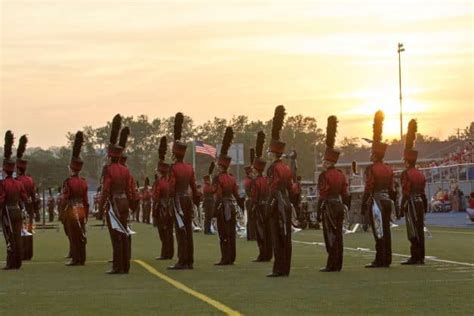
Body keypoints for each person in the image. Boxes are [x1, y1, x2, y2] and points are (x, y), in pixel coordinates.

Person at [361, 110, 397, 268]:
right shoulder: (389, 168)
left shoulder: (371, 168)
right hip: (387, 200)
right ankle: (387, 258)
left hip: (376, 201)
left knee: (378, 231)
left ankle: (380, 259)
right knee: (386, 231)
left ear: (375, 154)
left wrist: (364, 203)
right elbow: (392, 188)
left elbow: (369, 186)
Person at [99, 115, 134, 274]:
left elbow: (106, 190)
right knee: (124, 233)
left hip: (113, 203)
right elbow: (129, 189)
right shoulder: (125, 169)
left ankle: (117, 266)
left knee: (116, 236)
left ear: (110, 155)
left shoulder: (109, 170)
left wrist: (100, 208)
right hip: (124, 202)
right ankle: (125, 265)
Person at [317, 116, 350, 272]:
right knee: (339, 234)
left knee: (330, 234)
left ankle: (331, 264)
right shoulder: (341, 174)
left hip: (329, 205)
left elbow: (323, 194)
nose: (323, 163)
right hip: (339, 204)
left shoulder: (324, 176)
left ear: (328, 162)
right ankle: (338, 263)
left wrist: (318, 211)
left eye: (324, 161)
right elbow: (345, 193)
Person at [168, 112, 200, 270]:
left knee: (180, 231)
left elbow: (171, 187)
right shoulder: (189, 168)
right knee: (188, 230)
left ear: (175, 154)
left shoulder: (173, 168)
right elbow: (194, 187)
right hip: (187, 199)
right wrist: (196, 200)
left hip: (178, 201)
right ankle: (190, 260)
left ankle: (182, 260)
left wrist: (169, 200)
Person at [266, 105, 295, 277]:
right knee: (287, 236)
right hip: (286, 202)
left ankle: (278, 268)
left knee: (277, 236)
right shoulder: (286, 167)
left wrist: (269, 206)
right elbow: (290, 187)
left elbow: (273, 187)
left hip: (277, 202)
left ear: (273, 152)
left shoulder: (273, 168)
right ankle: (286, 267)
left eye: (269, 151)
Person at [213, 127, 243, 265]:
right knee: (232, 233)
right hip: (232, 206)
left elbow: (218, 196)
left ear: (220, 166)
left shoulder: (218, 178)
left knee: (223, 233)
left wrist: (214, 212)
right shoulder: (232, 178)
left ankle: (225, 258)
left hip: (222, 207)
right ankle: (232, 257)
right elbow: (237, 194)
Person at [400, 119, 427, 265]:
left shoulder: (406, 174)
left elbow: (405, 191)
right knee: (420, 229)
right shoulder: (420, 173)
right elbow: (423, 192)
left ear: (407, 161)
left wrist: (401, 206)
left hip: (411, 202)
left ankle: (415, 256)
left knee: (412, 230)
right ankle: (421, 256)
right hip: (420, 202)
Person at [61, 131, 89, 266]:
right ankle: (82, 258)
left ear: (72, 169)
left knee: (73, 234)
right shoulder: (83, 182)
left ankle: (76, 258)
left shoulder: (68, 182)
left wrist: (62, 212)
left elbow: (65, 198)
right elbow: (86, 200)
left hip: (72, 209)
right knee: (81, 232)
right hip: (82, 208)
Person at [1, 131, 28, 270]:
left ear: (5, 170)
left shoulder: (3, 184)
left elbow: (1, 200)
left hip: (7, 212)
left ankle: (11, 262)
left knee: (10, 237)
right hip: (17, 210)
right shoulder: (18, 183)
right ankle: (18, 262)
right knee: (17, 237)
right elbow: (25, 198)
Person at [15, 135, 37, 260]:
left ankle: (22, 253)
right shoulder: (30, 179)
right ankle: (29, 253)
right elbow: (33, 195)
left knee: (19, 231)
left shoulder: (17, 180)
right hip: (29, 207)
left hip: (20, 206)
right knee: (29, 229)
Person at [252, 131, 272, 262]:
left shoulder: (256, 181)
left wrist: (253, 206)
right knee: (268, 231)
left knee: (260, 231)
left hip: (259, 206)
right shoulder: (267, 179)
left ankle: (262, 254)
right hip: (268, 205)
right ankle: (268, 253)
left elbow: (254, 196)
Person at [153, 136, 174, 260]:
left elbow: (156, 197)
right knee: (169, 231)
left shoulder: (159, 182)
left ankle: (165, 253)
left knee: (163, 231)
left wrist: (155, 210)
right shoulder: (170, 181)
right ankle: (169, 252)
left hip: (161, 207)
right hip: (170, 207)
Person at [243, 162, 256, 241]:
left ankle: (250, 235)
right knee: (252, 219)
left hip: (249, 200)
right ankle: (252, 235)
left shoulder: (247, 180)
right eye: (252, 172)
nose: (253, 174)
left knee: (250, 218)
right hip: (251, 200)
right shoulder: (249, 181)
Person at [202, 164, 216, 235]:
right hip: (208, 202)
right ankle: (207, 230)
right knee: (208, 217)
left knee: (209, 217)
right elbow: (212, 190)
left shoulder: (207, 185)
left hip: (209, 201)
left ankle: (208, 229)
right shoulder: (207, 186)